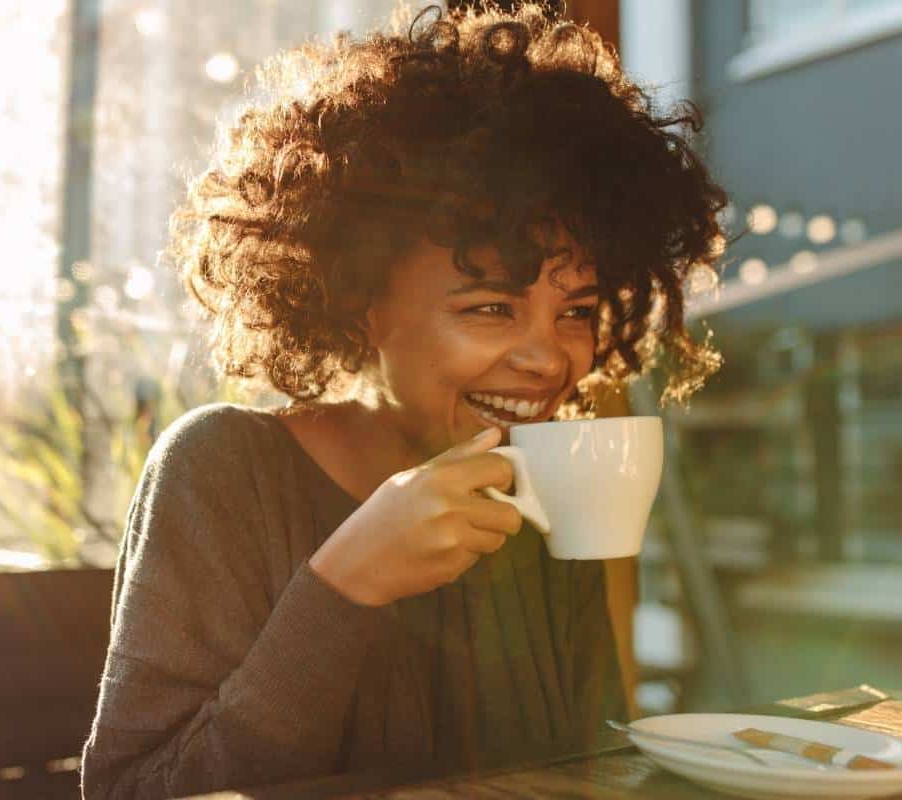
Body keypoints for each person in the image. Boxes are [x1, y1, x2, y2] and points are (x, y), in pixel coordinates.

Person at [81, 3, 727, 798]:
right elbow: (133, 792)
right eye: (491, 307)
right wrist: (346, 584)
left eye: (577, 312)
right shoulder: (221, 468)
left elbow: (587, 767)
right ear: (359, 301)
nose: (548, 357)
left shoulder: (542, 484)